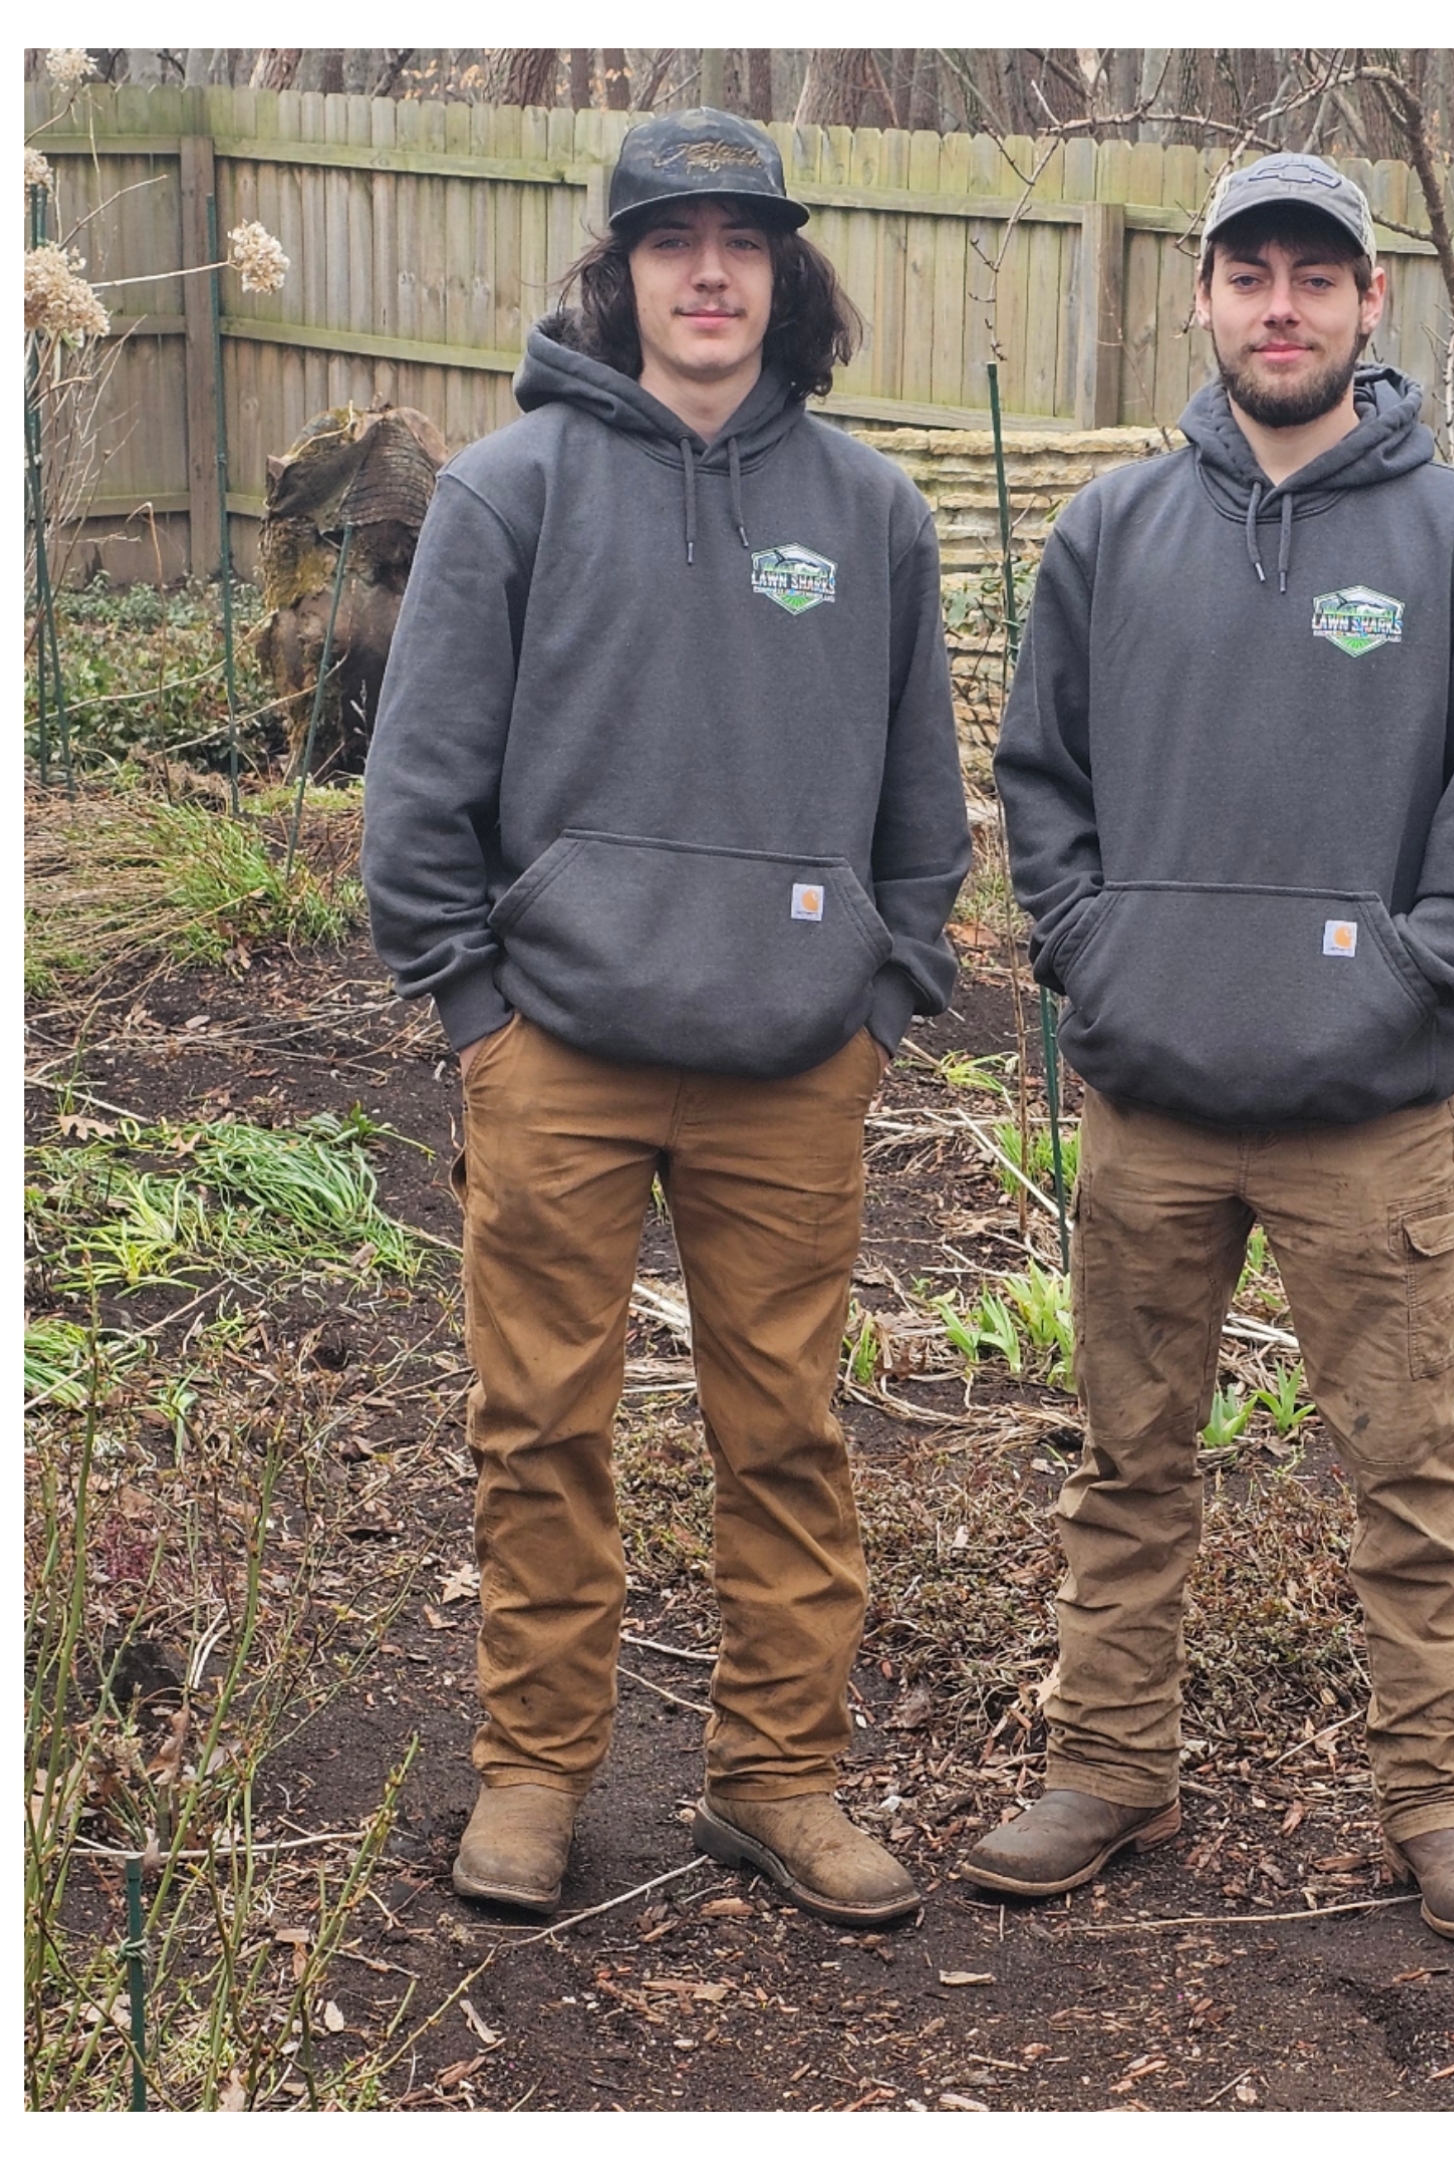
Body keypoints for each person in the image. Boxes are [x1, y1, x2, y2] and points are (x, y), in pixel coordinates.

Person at [362, 108, 970, 1926]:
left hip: (792, 1065)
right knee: (541, 1424)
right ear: (618, 273)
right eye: (671, 241)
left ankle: (778, 1779)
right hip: (556, 1052)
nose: (710, 274)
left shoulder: (870, 515)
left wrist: (879, 1008)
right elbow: (420, 794)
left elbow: (923, 814)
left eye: (742, 243)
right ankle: (534, 1775)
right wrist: (479, 1013)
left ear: (786, 275)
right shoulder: (510, 492)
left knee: (785, 1435)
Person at [969, 151, 1454, 1938]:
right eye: (1250, 275)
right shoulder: (1112, 532)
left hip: (1370, 1117)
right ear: (1205, 298)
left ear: (1371, 302)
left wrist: (1397, 988)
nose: (1280, 307)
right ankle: (1108, 1767)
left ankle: (1440, 1803)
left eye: (1316, 276)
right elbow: (1041, 783)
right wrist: (1102, 957)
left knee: (1409, 1472)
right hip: (1153, 1101)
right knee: (1127, 1458)